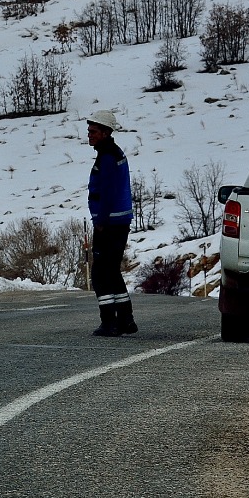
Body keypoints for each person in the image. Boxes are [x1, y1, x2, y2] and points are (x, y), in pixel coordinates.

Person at [86, 109, 136, 337]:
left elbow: (106, 191)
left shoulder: (107, 156)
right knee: (112, 271)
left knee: (101, 273)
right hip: (119, 221)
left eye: (94, 131)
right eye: (90, 130)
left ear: (106, 132)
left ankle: (110, 322)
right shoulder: (113, 153)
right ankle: (126, 320)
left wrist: (101, 221)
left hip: (110, 223)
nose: (90, 134)